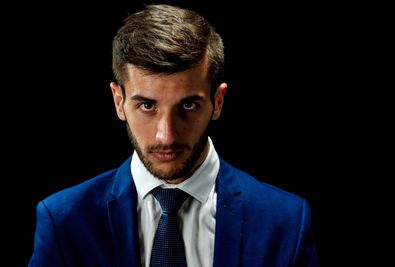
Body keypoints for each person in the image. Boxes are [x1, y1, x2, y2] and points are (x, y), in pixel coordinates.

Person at [28, 4, 319, 267]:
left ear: (218, 101)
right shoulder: (64, 221)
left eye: (188, 105)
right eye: (146, 105)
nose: (166, 134)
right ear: (118, 101)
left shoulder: (286, 221)